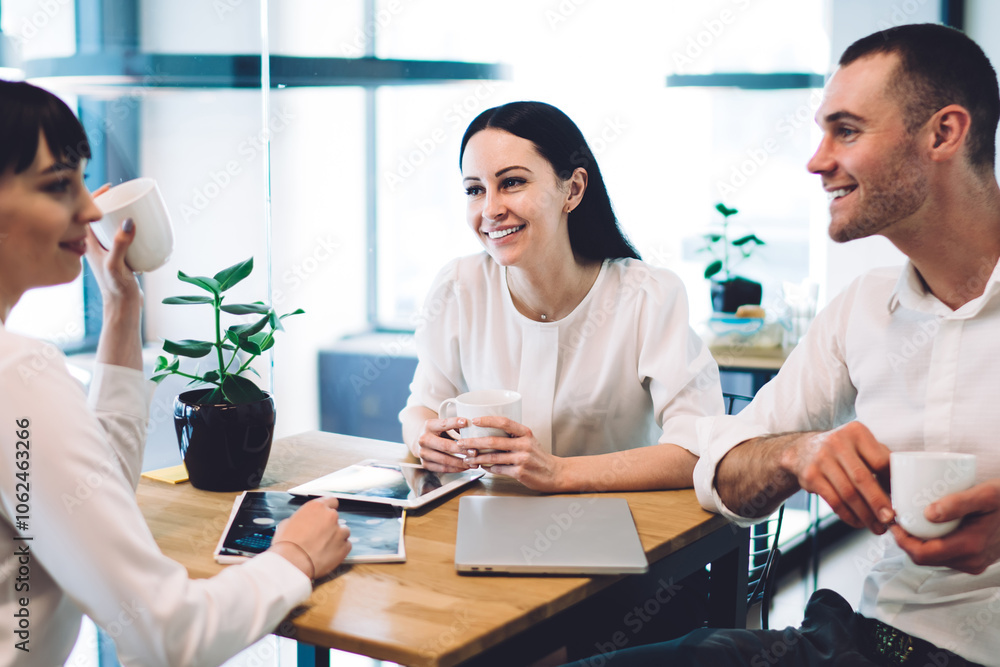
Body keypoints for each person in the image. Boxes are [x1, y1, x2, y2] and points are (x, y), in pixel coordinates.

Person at [562, 23, 1000, 667]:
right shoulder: (862, 310)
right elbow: (723, 464)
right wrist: (799, 452)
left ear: (943, 133)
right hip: (864, 644)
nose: (817, 160)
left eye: (846, 131)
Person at [0, 80, 352, 666]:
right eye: (59, 184)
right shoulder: (19, 374)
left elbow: (84, 498)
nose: (89, 209)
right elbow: (165, 633)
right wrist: (293, 557)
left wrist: (121, 308)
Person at [399, 101, 723, 493]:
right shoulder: (458, 286)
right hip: (491, 518)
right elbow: (423, 406)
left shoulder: (648, 298)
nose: (490, 209)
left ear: (572, 190)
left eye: (512, 182)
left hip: (618, 527)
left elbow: (696, 449)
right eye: (475, 190)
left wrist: (559, 473)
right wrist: (423, 438)